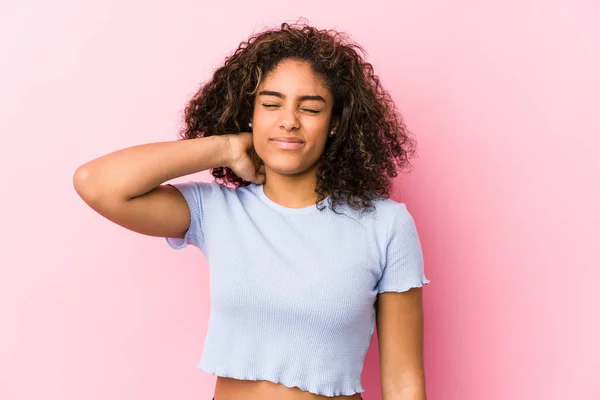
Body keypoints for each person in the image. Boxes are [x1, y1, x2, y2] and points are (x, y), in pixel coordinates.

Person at [73, 20, 430, 400]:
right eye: (271, 104)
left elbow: (403, 380)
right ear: (250, 114)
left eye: (310, 108)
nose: (288, 121)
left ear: (335, 123)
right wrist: (225, 148)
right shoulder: (216, 210)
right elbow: (96, 183)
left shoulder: (386, 225)